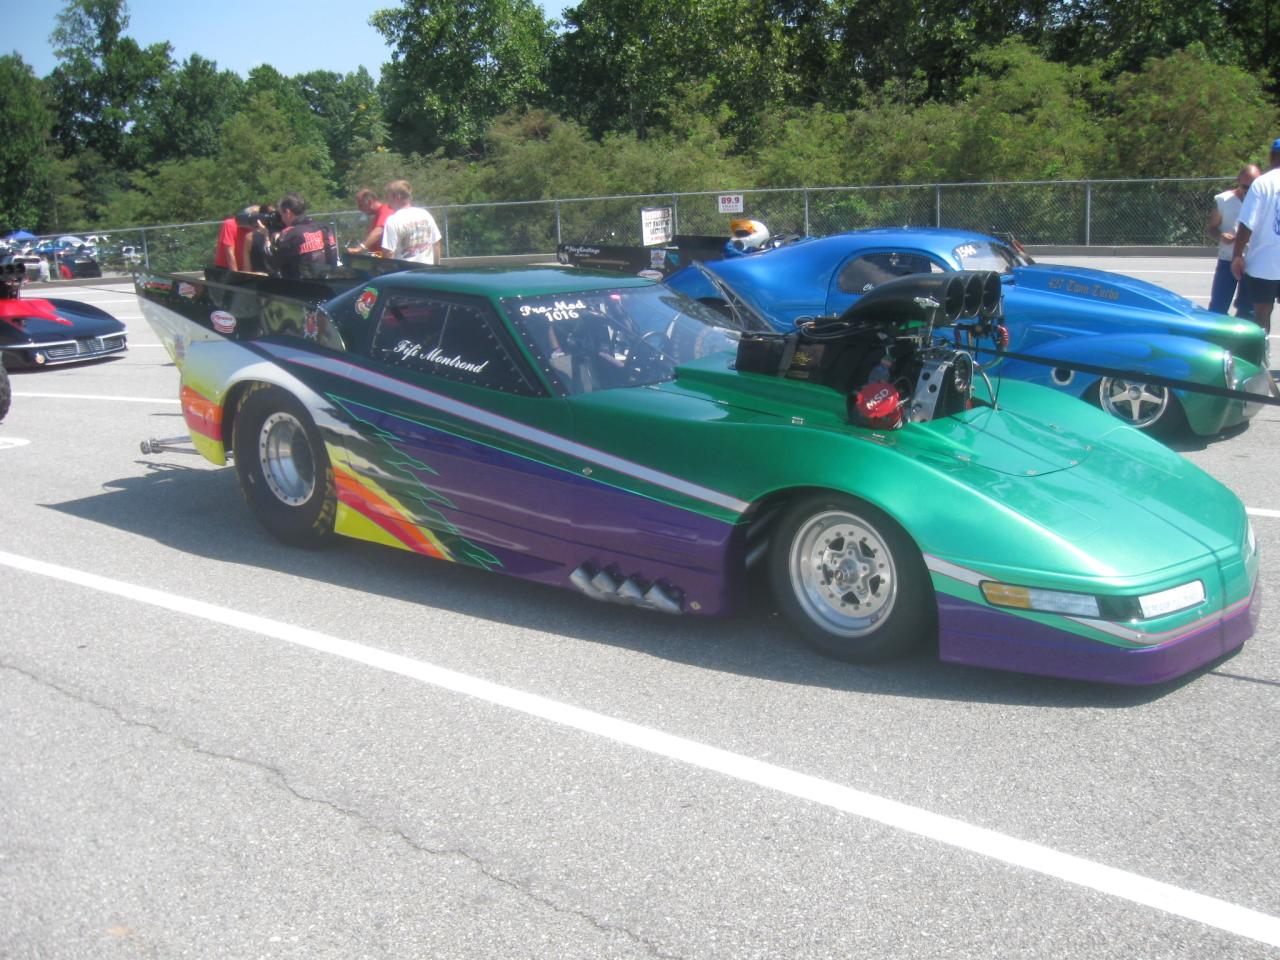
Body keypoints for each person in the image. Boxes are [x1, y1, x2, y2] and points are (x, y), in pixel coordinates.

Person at [1231, 138, 1280, 333]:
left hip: (1264, 263)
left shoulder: (1262, 183)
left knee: (1262, 313)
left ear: (1271, 156)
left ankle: (1262, 351)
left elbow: (1247, 223)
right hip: (1265, 262)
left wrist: (1237, 255)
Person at [1207, 164, 1260, 314]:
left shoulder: (1263, 202)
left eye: (1253, 187)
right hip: (1227, 260)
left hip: (1252, 263)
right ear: (1238, 181)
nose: (1248, 191)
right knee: (1218, 307)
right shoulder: (1223, 200)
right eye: (1245, 187)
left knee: (1248, 311)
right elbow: (1211, 229)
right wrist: (1221, 236)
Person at [270, 193, 338, 280]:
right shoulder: (325, 227)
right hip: (330, 282)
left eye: (281, 215)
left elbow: (273, 264)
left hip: (303, 285)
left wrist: (270, 243)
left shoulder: (291, 233)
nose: (281, 219)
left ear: (288, 212)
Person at [380, 180, 442, 264]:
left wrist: (385, 269)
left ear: (397, 197)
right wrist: (436, 267)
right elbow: (436, 244)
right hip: (427, 270)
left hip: (405, 271)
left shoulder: (393, 220)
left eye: (388, 196)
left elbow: (388, 253)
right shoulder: (425, 214)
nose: (386, 199)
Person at [348, 188, 391, 256]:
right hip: (377, 256)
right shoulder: (376, 215)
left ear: (370, 202)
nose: (359, 209)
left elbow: (379, 231)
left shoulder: (385, 211)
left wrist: (360, 248)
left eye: (361, 205)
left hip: (385, 259)